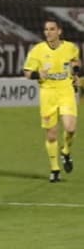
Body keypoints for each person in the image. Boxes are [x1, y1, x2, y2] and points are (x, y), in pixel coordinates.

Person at [23, 18, 80, 182]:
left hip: (66, 91)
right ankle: (55, 170)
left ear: (59, 31)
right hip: (47, 94)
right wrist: (37, 74)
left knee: (70, 128)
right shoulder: (37, 51)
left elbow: (76, 60)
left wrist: (76, 72)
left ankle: (66, 151)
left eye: (52, 29)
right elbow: (27, 73)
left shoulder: (70, 48)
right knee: (51, 135)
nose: (48, 32)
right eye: (46, 29)